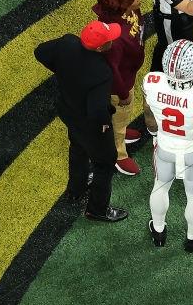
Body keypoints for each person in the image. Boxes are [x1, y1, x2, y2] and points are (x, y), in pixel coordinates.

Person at [34, 20, 127, 222]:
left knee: (78, 147)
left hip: (68, 111)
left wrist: (62, 72)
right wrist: (104, 124)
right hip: (89, 123)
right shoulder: (101, 71)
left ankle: (76, 189)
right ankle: (97, 209)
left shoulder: (67, 43)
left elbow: (39, 52)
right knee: (104, 163)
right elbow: (96, 110)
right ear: (101, 46)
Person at [142, 40, 193, 252]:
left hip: (164, 147)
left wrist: (153, 133)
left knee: (160, 186)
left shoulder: (151, 81)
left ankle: (159, 231)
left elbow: (149, 116)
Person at [93, 0, 145, 177]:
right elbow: (112, 70)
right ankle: (118, 153)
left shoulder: (124, 13)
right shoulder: (112, 39)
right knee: (120, 113)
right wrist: (123, 93)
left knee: (122, 117)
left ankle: (121, 129)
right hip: (121, 83)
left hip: (129, 70)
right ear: (123, 7)